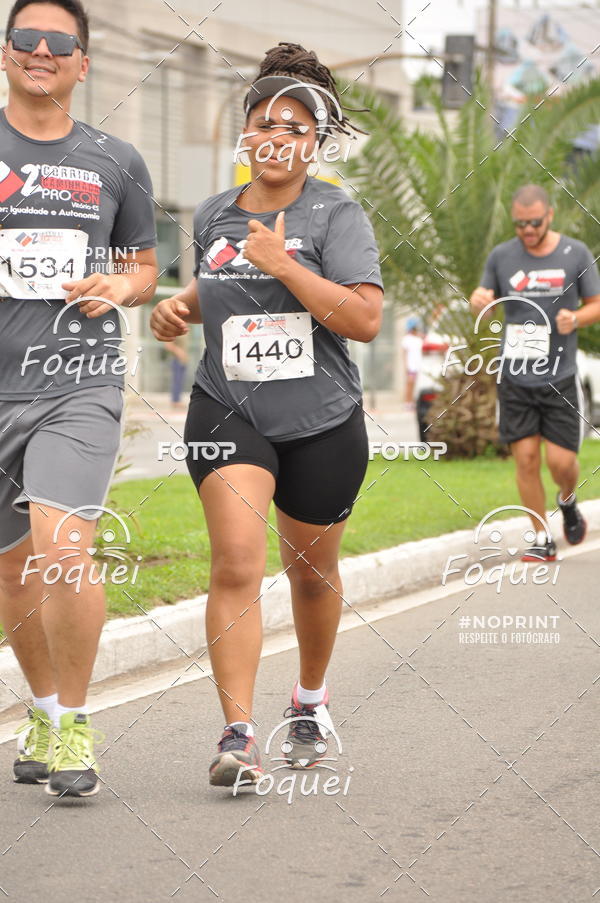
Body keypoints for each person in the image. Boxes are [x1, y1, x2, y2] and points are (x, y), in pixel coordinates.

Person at [151, 42, 383, 787]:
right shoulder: (217, 214)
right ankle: (239, 733)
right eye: (264, 121)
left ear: (313, 141)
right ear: (245, 135)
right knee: (238, 562)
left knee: (311, 575)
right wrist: (176, 308)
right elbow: (214, 290)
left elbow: (364, 319)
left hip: (321, 420)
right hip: (229, 411)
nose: (277, 134)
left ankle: (309, 700)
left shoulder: (336, 213)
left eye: (294, 123)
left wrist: (287, 264)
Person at [0, 0, 158, 797]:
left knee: (62, 550)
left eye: (59, 42)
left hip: (78, 378)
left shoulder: (117, 161)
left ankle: (74, 725)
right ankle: (42, 704)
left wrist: (120, 285)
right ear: (4, 53)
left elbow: (144, 266)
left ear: (83, 64)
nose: (40, 50)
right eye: (24, 37)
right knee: (12, 572)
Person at [470, 184, 600, 561]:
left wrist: (575, 317)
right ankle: (541, 537)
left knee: (560, 463)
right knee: (525, 459)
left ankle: (568, 500)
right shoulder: (502, 256)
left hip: (560, 375)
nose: (527, 230)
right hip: (515, 376)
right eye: (520, 224)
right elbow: (485, 299)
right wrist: (480, 301)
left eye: (534, 223)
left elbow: (596, 304)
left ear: (550, 216)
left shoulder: (575, 253)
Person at [401, 315, 423, 410]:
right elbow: (404, 353)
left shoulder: (420, 338)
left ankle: (413, 402)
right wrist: (406, 366)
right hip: (411, 366)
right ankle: (407, 402)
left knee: (416, 385)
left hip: (419, 365)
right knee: (410, 383)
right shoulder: (407, 339)